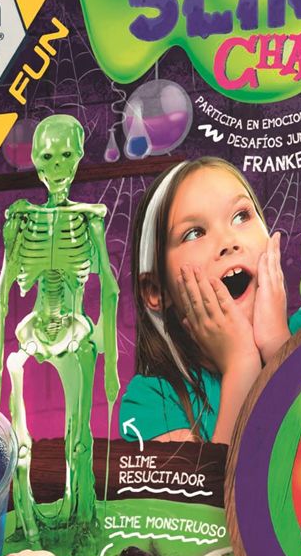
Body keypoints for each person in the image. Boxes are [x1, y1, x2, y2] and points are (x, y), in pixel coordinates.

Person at [119, 157, 289, 442]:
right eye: (194, 233)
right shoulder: (152, 403)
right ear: (156, 290)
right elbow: (223, 474)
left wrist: (279, 346)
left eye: (241, 216)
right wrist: (240, 364)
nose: (228, 242)